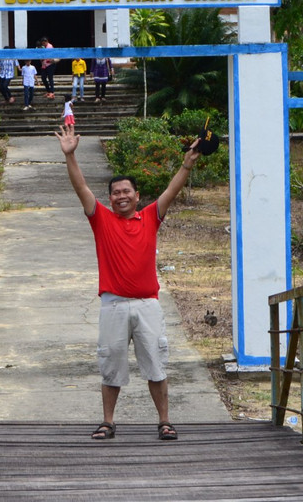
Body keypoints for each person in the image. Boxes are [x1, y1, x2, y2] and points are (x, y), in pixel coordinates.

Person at [55, 122, 202, 442]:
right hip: (113, 305)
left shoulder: (150, 216)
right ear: (109, 198)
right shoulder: (101, 219)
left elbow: (171, 191)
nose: (121, 196)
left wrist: (186, 165)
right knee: (111, 365)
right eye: (115, 193)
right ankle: (107, 422)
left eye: (126, 192)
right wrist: (70, 156)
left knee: (156, 365)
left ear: (137, 196)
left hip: (148, 305)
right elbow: (81, 188)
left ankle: (164, 421)